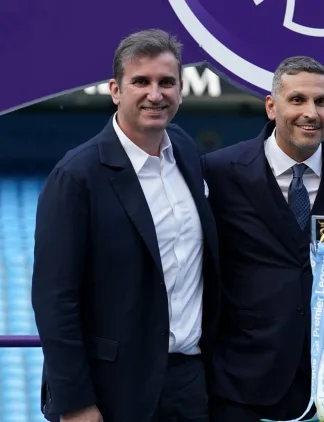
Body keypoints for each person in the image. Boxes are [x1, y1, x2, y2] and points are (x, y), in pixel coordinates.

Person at [31, 29, 221, 422]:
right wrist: (76, 404)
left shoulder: (184, 148)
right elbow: (54, 301)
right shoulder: (76, 175)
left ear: (181, 90)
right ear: (116, 90)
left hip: (188, 382)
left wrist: (305, 143)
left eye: (167, 82)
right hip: (113, 388)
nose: (156, 94)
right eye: (142, 82)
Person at [200, 56, 324, 421]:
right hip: (240, 384)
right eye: (297, 100)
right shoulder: (218, 172)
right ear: (271, 106)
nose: (310, 112)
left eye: (321, 102)